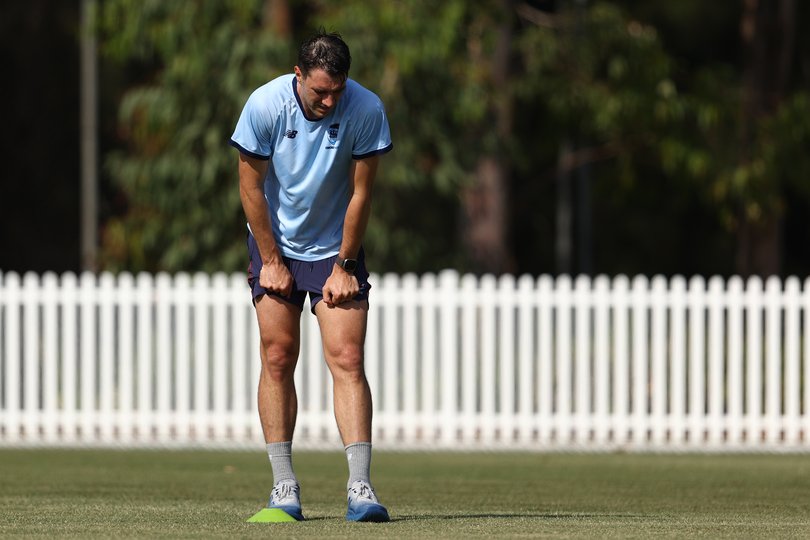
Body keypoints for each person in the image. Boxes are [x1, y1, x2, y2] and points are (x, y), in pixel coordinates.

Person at [229, 30, 392, 523]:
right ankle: (284, 488)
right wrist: (271, 258)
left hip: (335, 247)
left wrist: (344, 265)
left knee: (348, 357)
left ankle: (360, 488)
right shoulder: (264, 105)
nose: (330, 100)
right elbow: (250, 186)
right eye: (320, 90)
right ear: (298, 75)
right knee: (278, 356)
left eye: (337, 91)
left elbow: (361, 195)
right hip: (275, 243)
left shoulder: (365, 109)